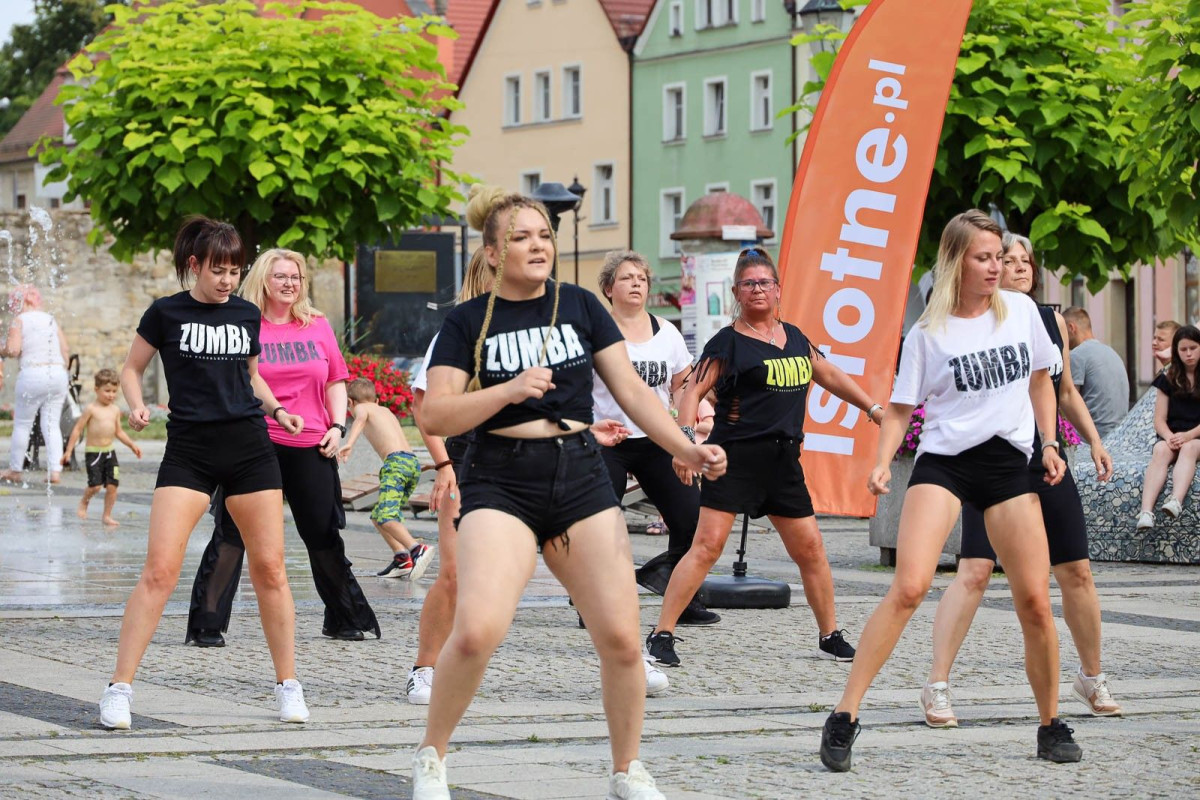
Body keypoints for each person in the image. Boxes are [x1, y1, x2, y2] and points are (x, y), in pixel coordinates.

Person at [410, 185, 726, 800]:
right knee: (476, 630)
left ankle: (626, 770)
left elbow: (634, 391)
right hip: (500, 476)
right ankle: (431, 755)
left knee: (621, 637)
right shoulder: (468, 321)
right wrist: (506, 391)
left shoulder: (581, 305)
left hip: (580, 475)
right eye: (522, 237)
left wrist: (685, 446)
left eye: (545, 236)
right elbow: (438, 414)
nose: (538, 246)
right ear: (495, 251)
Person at [820, 210, 1081, 772]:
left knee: (1035, 600)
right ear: (957, 260)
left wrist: (1049, 444)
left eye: (1000, 257)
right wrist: (884, 463)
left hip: (1009, 466)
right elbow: (899, 408)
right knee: (910, 587)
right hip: (945, 464)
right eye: (984, 258)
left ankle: (1050, 723)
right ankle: (844, 714)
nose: (996, 268)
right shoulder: (928, 333)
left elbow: (1042, 380)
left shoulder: (1023, 315)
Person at [100, 217, 309, 730]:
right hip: (189, 450)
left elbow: (252, 377)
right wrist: (134, 405)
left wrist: (279, 412)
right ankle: (119, 689)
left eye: (236, 270)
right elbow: (132, 368)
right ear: (194, 265)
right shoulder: (165, 312)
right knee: (159, 571)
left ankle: (289, 686)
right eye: (219, 269)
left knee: (272, 570)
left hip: (249, 447)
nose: (228, 280)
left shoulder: (245, 314)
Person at [644, 246, 881, 670]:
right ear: (737, 291)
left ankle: (830, 635)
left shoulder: (795, 338)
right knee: (706, 548)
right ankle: (662, 633)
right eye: (749, 283)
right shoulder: (728, 342)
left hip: (783, 462)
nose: (757, 289)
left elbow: (830, 376)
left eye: (764, 283)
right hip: (733, 460)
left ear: (777, 289)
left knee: (811, 550)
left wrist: (872, 408)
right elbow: (691, 391)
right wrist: (684, 443)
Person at [921, 231, 1121, 731]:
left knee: (1076, 570)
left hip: (1044, 458)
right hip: (993, 461)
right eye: (1005, 260)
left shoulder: (1049, 320)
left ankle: (1091, 676)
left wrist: (1093, 441)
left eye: (1024, 261)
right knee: (975, 571)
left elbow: (1064, 388)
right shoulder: (975, 320)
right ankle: (937, 683)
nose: (1017, 268)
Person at [184, 248, 380, 646]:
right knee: (234, 532)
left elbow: (335, 380)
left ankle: (342, 618)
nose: (289, 284)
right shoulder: (243, 321)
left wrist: (338, 427)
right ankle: (207, 623)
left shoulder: (318, 325)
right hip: (255, 444)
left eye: (296, 277)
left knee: (323, 533)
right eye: (281, 277)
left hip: (312, 443)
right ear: (264, 280)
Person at [593, 249, 719, 626]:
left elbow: (684, 386)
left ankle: (682, 597)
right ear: (608, 287)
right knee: (601, 523)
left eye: (642, 279)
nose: (636, 284)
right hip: (607, 441)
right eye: (627, 277)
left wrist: (684, 435)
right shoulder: (596, 332)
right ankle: (594, 603)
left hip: (655, 439)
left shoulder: (667, 333)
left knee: (690, 516)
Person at [338, 377, 436, 580]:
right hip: (412, 465)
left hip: (396, 465)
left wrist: (350, 443)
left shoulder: (361, 409)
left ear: (350, 403)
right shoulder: (385, 410)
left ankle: (417, 549)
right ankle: (402, 559)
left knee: (386, 517)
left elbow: (360, 419)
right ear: (377, 400)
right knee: (378, 515)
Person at [0, 284, 71, 484]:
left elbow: (13, 350)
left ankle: (15, 470)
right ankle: (55, 471)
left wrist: (2, 350)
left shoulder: (19, 320)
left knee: (23, 424)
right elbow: (65, 350)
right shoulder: (50, 319)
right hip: (57, 373)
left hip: (33, 373)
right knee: (51, 424)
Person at [1136, 324, 1200, 528]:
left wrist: (1188, 436)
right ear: (1176, 351)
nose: (1188, 353)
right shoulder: (1168, 377)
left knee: (1189, 448)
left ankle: (1175, 501)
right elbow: (1159, 419)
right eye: (1183, 349)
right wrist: (1168, 436)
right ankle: (1146, 512)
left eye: (1193, 348)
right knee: (1160, 450)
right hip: (1173, 435)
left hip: (1196, 437)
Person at [61, 368, 143, 526]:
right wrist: (69, 451)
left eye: (114, 391)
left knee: (113, 486)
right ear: (96, 389)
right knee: (95, 486)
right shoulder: (91, 409)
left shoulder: (115, 410)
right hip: (94, 453)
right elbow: (78, 429)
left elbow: (118, 432)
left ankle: (107, 515)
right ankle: (84, 502)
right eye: (107, 391)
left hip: (110, 453)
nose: (111, 395)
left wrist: (132, 445)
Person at [1061, 306, 1129, 438]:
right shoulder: (1111, 352)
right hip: (1119, 434)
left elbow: (1068, 402)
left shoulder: (1077, 355)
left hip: (1091, 437)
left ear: (1071, 328)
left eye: (1061, 331)